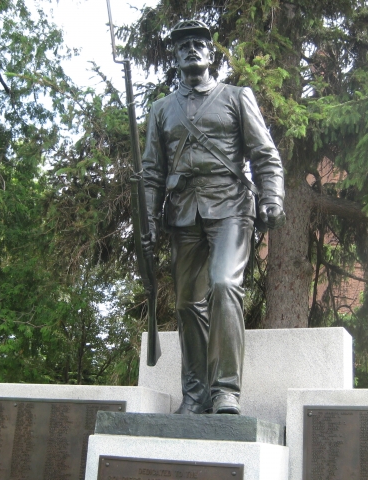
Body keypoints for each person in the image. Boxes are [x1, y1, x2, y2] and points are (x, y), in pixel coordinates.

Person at [142, 20, 286, 414]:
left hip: (231, 207)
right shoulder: (161, 110)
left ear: (211, 54)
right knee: (188, 304)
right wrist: (149, 222)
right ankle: (195, 394)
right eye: (183, 45)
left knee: (224, 285)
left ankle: (225, 391)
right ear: (175, 57)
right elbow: (151, 171)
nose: (191, 49)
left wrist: (271, 196)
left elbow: (265, 154)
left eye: (199, 44)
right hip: (184, 212)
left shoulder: (237, 97)